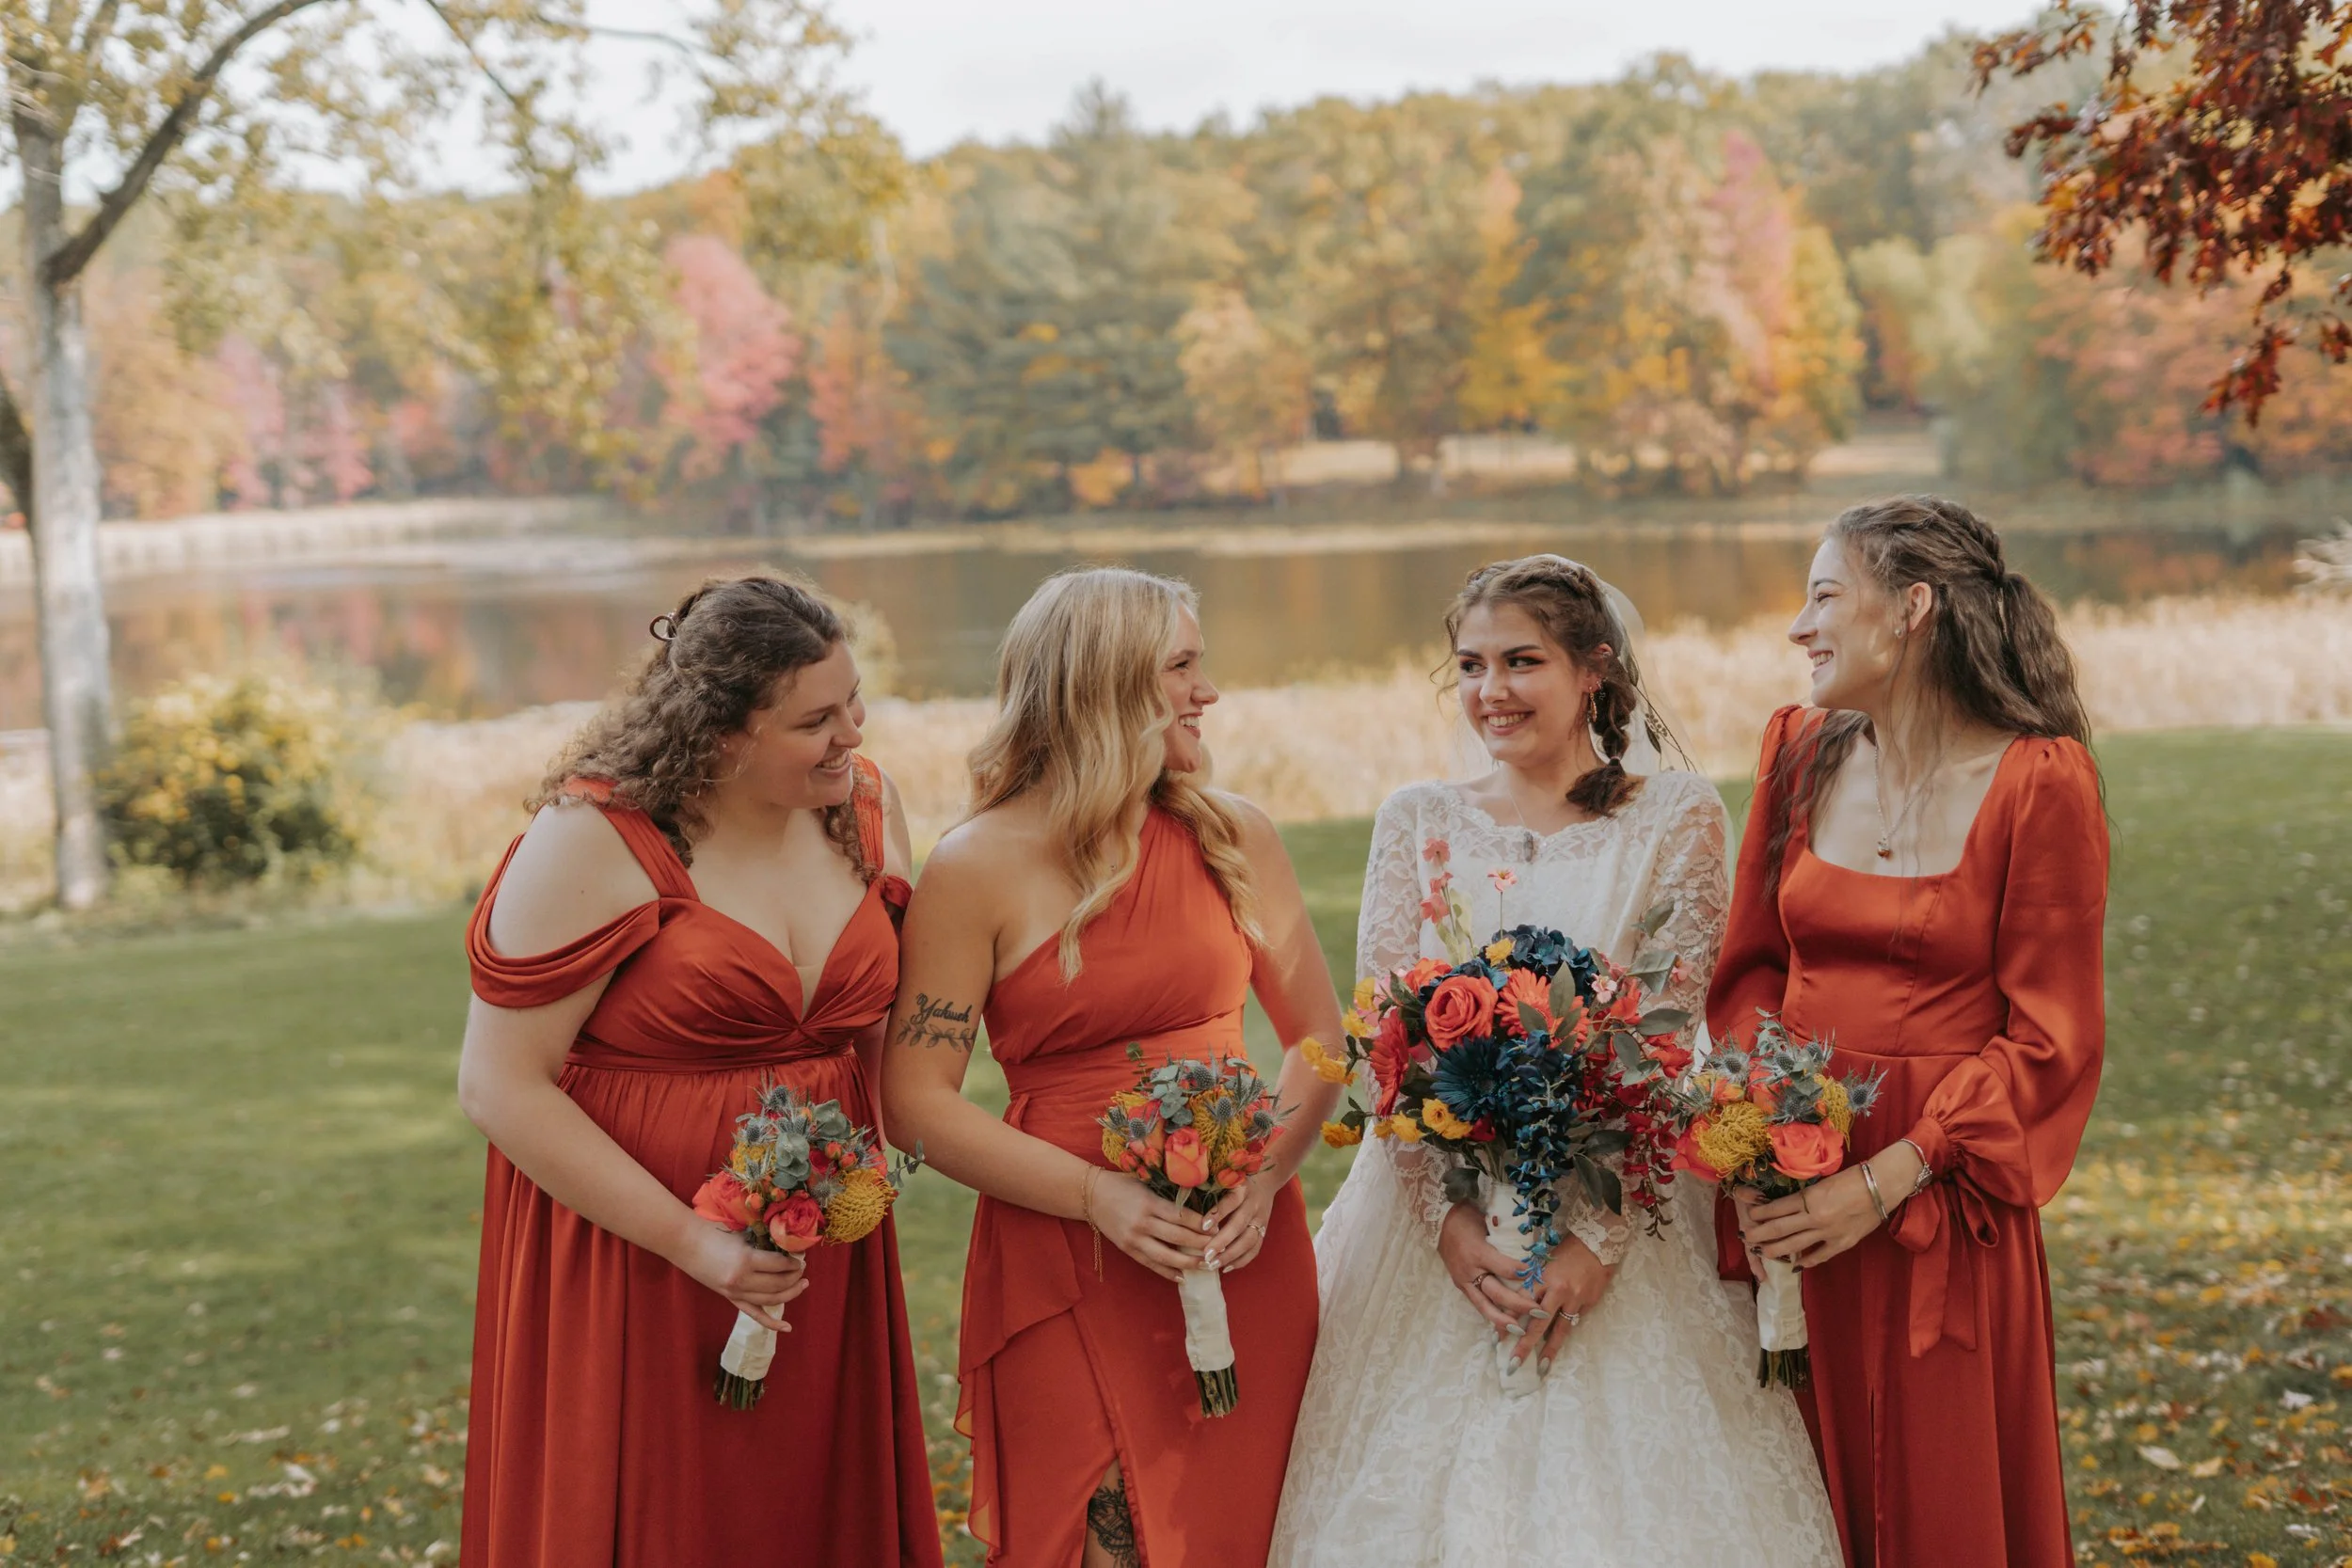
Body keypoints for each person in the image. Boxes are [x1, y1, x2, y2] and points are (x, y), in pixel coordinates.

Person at [1271, 555, 1840, 1567]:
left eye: (1521, 660)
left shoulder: (1671, 818)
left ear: (1594, 670)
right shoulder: (1417, 821)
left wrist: (1599, 1242)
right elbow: (1383, 1048)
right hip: (1429, 1220)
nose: (1490, 690)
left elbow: (1667, 1046)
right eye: (1471, 664)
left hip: (1625, 1202)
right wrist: (1444, 1223)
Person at [456, 575, 941, 1567]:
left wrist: (876, 1161)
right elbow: (499, 1083)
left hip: (815, 1239)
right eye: (816, 718)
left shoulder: (860, 804)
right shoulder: (596, 835)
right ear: (721, 733)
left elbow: (871, 1024)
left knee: (803, 1503)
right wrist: (691, 1241)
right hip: (640, 1248)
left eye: (854, 701)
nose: (851, 732)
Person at [882, 566, 1343, 1568]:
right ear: (1107, 683)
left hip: (1237, 1236)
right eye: (1181, 666)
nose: (1206, 692)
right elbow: (914, 1103)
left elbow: (1320, 1045)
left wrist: (1264, 1174)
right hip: (1065, 1249)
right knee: (1098, 1530)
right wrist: (1098, 1195)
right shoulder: (973, 865)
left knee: (1244, 1522)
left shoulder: (1234, 834)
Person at [1711, 495, 2108, 1568]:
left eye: (1824, 594)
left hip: (1941, 1190)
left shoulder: (2040, 783)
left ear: (1913, 608)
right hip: (1789, 1181)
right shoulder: (1796, 753)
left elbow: (2049, 1038)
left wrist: (1887, 1175)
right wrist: (1761, 1129)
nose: (1799, 626)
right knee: (1788, 1481)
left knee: (1938, 1495)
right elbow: (1748, 969)